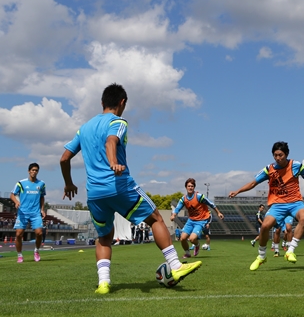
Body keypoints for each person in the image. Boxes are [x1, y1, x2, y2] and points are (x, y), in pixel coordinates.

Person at [60, 83, 202, 294]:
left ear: (102, 102)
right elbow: (111, 142)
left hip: (95, 194)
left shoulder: (85, 128)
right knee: (155, 218)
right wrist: (113, 163)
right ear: (122, 102)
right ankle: (176, 265)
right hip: (118, 185)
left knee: (105, 237)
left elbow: (64, 158)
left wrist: (69, 183)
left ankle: (104, 283)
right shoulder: (118, 121)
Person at [228, 141, 304, 270]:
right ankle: (261, 257)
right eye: (275, 155)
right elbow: (253, 183)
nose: (278, 158)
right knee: (265, 226)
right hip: (277, 205)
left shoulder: (296, 166)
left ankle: (290, 251)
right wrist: (237, 191)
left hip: (295, 202)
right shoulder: (269, 169)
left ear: (286, 154)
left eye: (280, 155)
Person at [170, 178, 224, 258]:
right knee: (183, 238)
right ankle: (187, 253)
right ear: (186, 187)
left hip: (201, 220)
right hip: (191, 220)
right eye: (189, 186)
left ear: (194, 187)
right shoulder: (183, 199)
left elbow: (211, 203)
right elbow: (177, 208)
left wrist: (218, 212)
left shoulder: (199, 196)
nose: (190, 187)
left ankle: (197, 245)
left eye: (192, 186)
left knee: (192, 239)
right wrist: (174, 215)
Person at [11, 163, 46, 263]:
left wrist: (42, 209)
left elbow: (42, 197)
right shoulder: (21, 183)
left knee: (39, 233)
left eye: (36, 170)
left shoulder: (41, 184)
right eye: (33, 170)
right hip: (23, 213)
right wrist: (16, 202)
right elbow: (12, 195)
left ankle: (36, 251)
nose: (34, 172)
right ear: (29, 171)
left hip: (35, 213)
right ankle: (20, 255)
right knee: (18, 234)